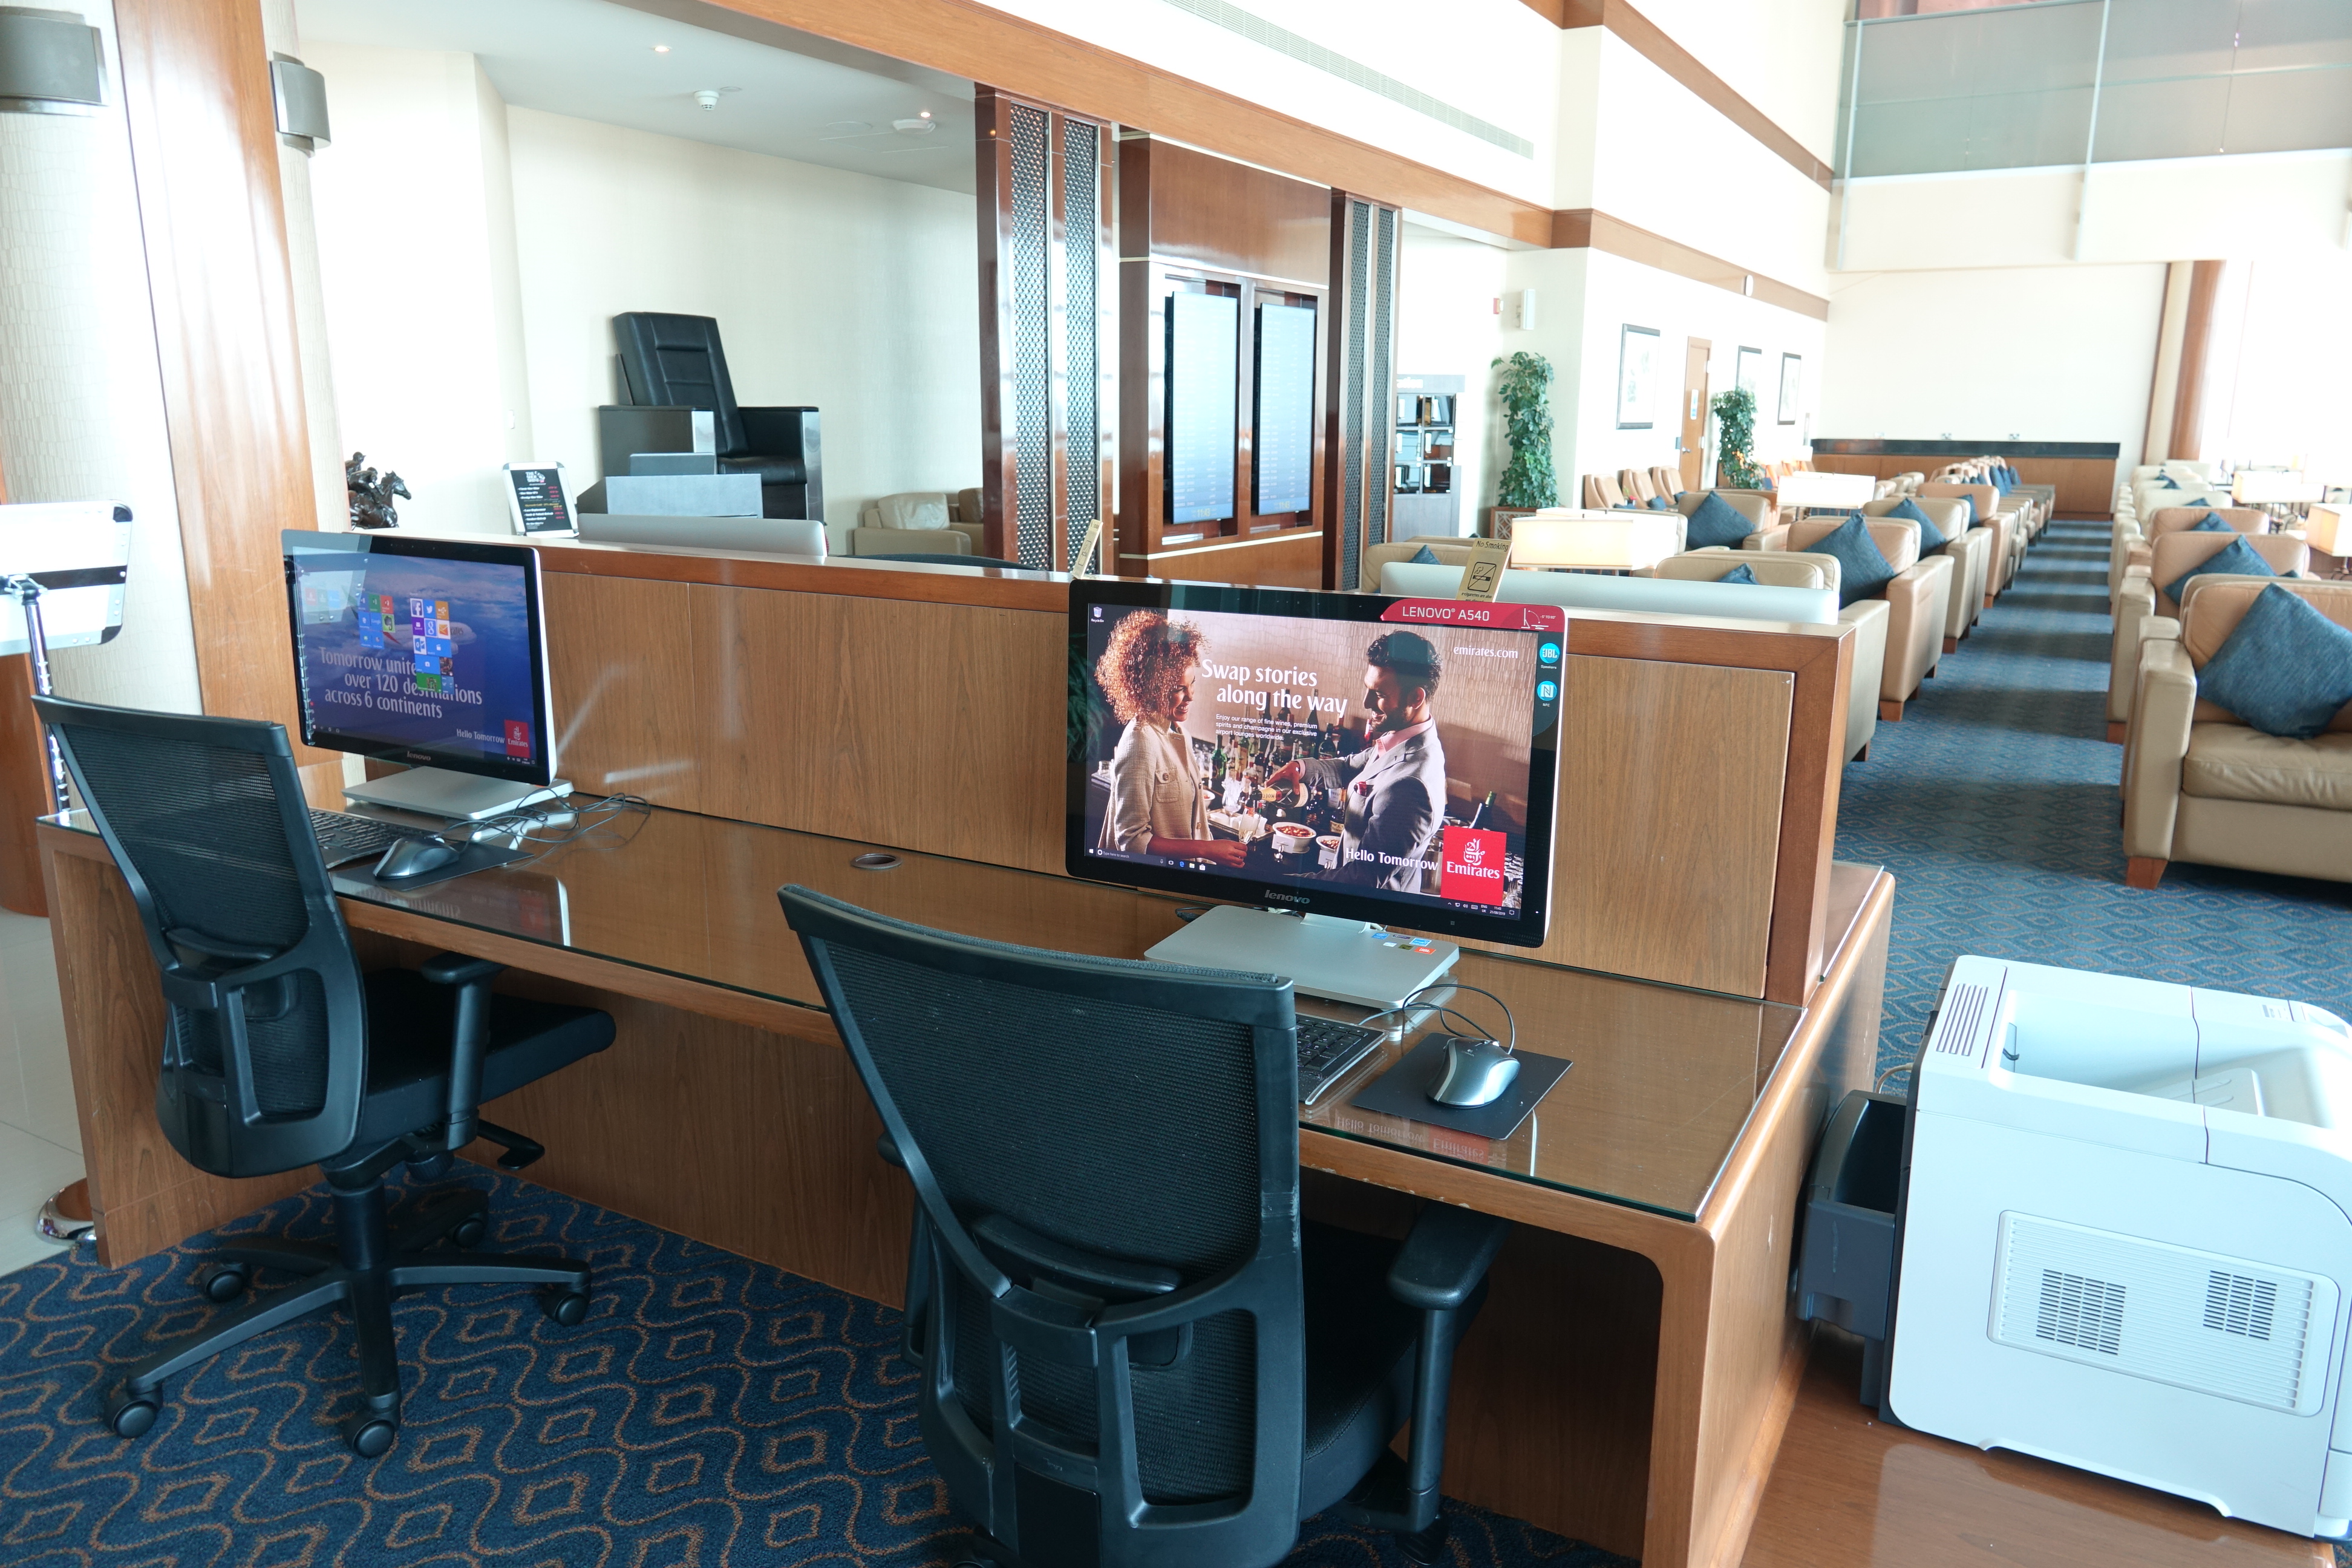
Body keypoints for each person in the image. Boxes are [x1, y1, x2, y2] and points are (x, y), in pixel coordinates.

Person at [1269, 630, 1446, 890]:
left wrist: (1274, 886)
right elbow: (1349, 766)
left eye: (1379, 694)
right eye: (1367, 689)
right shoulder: (1407, 738)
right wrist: (1300, 767)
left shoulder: (1410, 785)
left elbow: (1362, 879)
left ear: (1416, 698)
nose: (1366, 703)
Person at [1094, 612, 1250, 869]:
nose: (1190, 697)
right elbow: (1132, 841)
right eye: (1178, 689)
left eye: (1192, 685)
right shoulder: (1140, 742)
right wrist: (1208, 850)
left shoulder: (1179, 733)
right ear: (1149, 686)